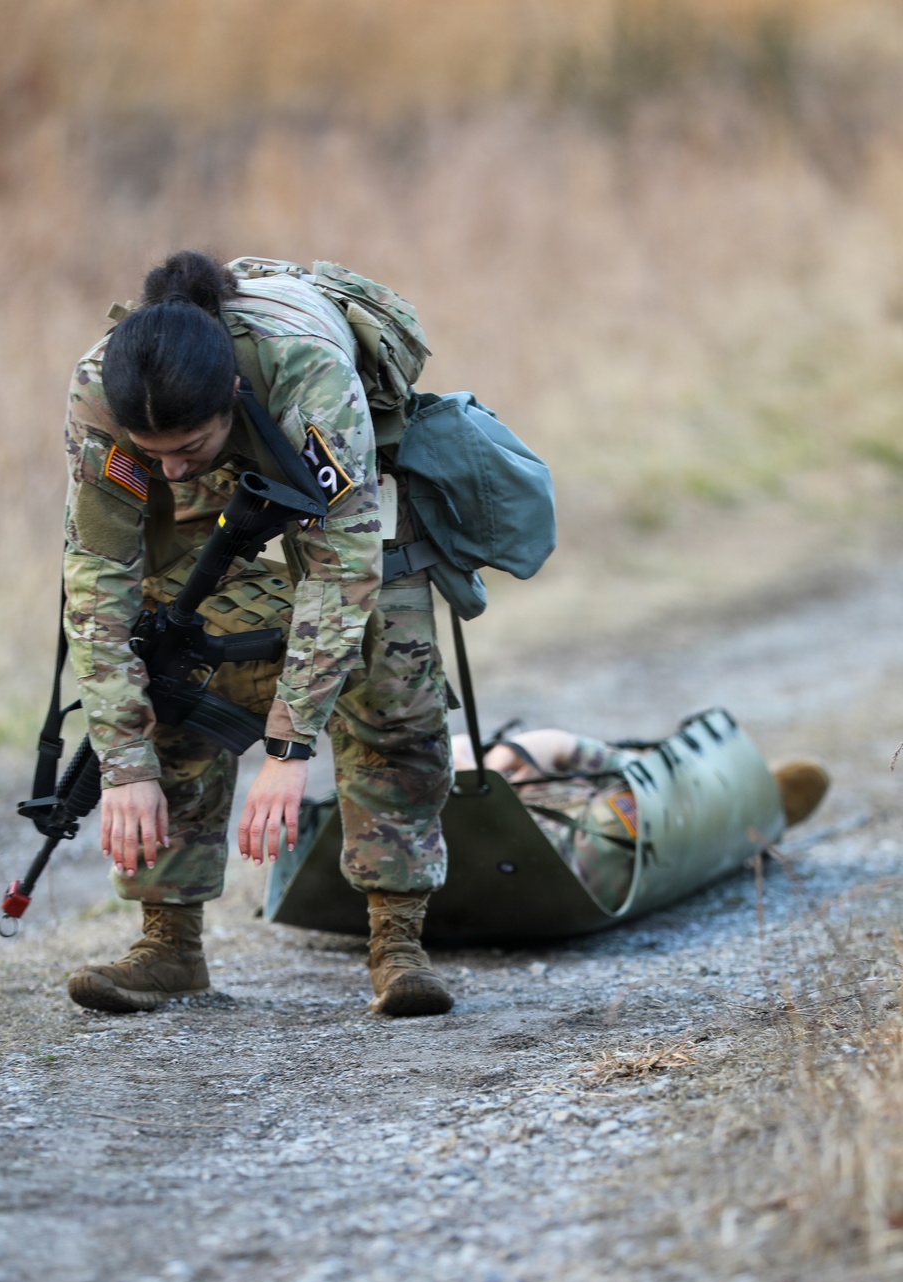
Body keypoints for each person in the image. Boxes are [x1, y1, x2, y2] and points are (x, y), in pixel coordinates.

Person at [61, 250, 453, 1018]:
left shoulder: (307, 378)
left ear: (231, 397)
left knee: (391, 675)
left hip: (334, 473)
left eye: (186, 452)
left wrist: (289, 743)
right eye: (155, 456)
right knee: (167, 655)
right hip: (225, 473)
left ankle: (397, 941)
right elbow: (97, 580)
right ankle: (169, 944)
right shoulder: (104, 395)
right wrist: (123, 762)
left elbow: (341, 570)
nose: (168, 473)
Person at [452, 727, 830, 915]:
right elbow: (640, 775)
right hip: (585, 858)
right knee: (657, 793)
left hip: (552, 864)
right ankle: (763, 803)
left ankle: (762, 805)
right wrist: (511, 758)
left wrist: (501, 764)